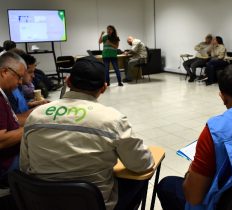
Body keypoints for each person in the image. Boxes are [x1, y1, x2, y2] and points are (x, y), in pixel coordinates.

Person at [20, 56, 154, 210]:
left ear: (68, 81)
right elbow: (142, 165)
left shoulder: (36, 115)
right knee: (139, 180)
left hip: (41, 203)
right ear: (103, 88)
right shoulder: (112, 120)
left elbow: (24, 166)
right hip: (93, 204)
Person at [156, 64, 232, 210]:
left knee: (167, 185)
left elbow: (194, 197)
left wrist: (191, 171)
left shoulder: (215, 129)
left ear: (222, 97)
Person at [0, 52, 26, 186]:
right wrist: (32, 127)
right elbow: (2, 141)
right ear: (4, 71)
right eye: (19, 77)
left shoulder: (3, 93)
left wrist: (40, 114)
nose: (20, 82)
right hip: (6, 166)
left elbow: (14, 121)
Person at [6, 49, 49, 115]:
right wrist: (37, 110)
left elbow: (20, 106)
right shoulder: (9, 90)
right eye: (30, 72)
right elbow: (14, 119)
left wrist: (33, 103)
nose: (33, 76)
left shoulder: (19, 86)